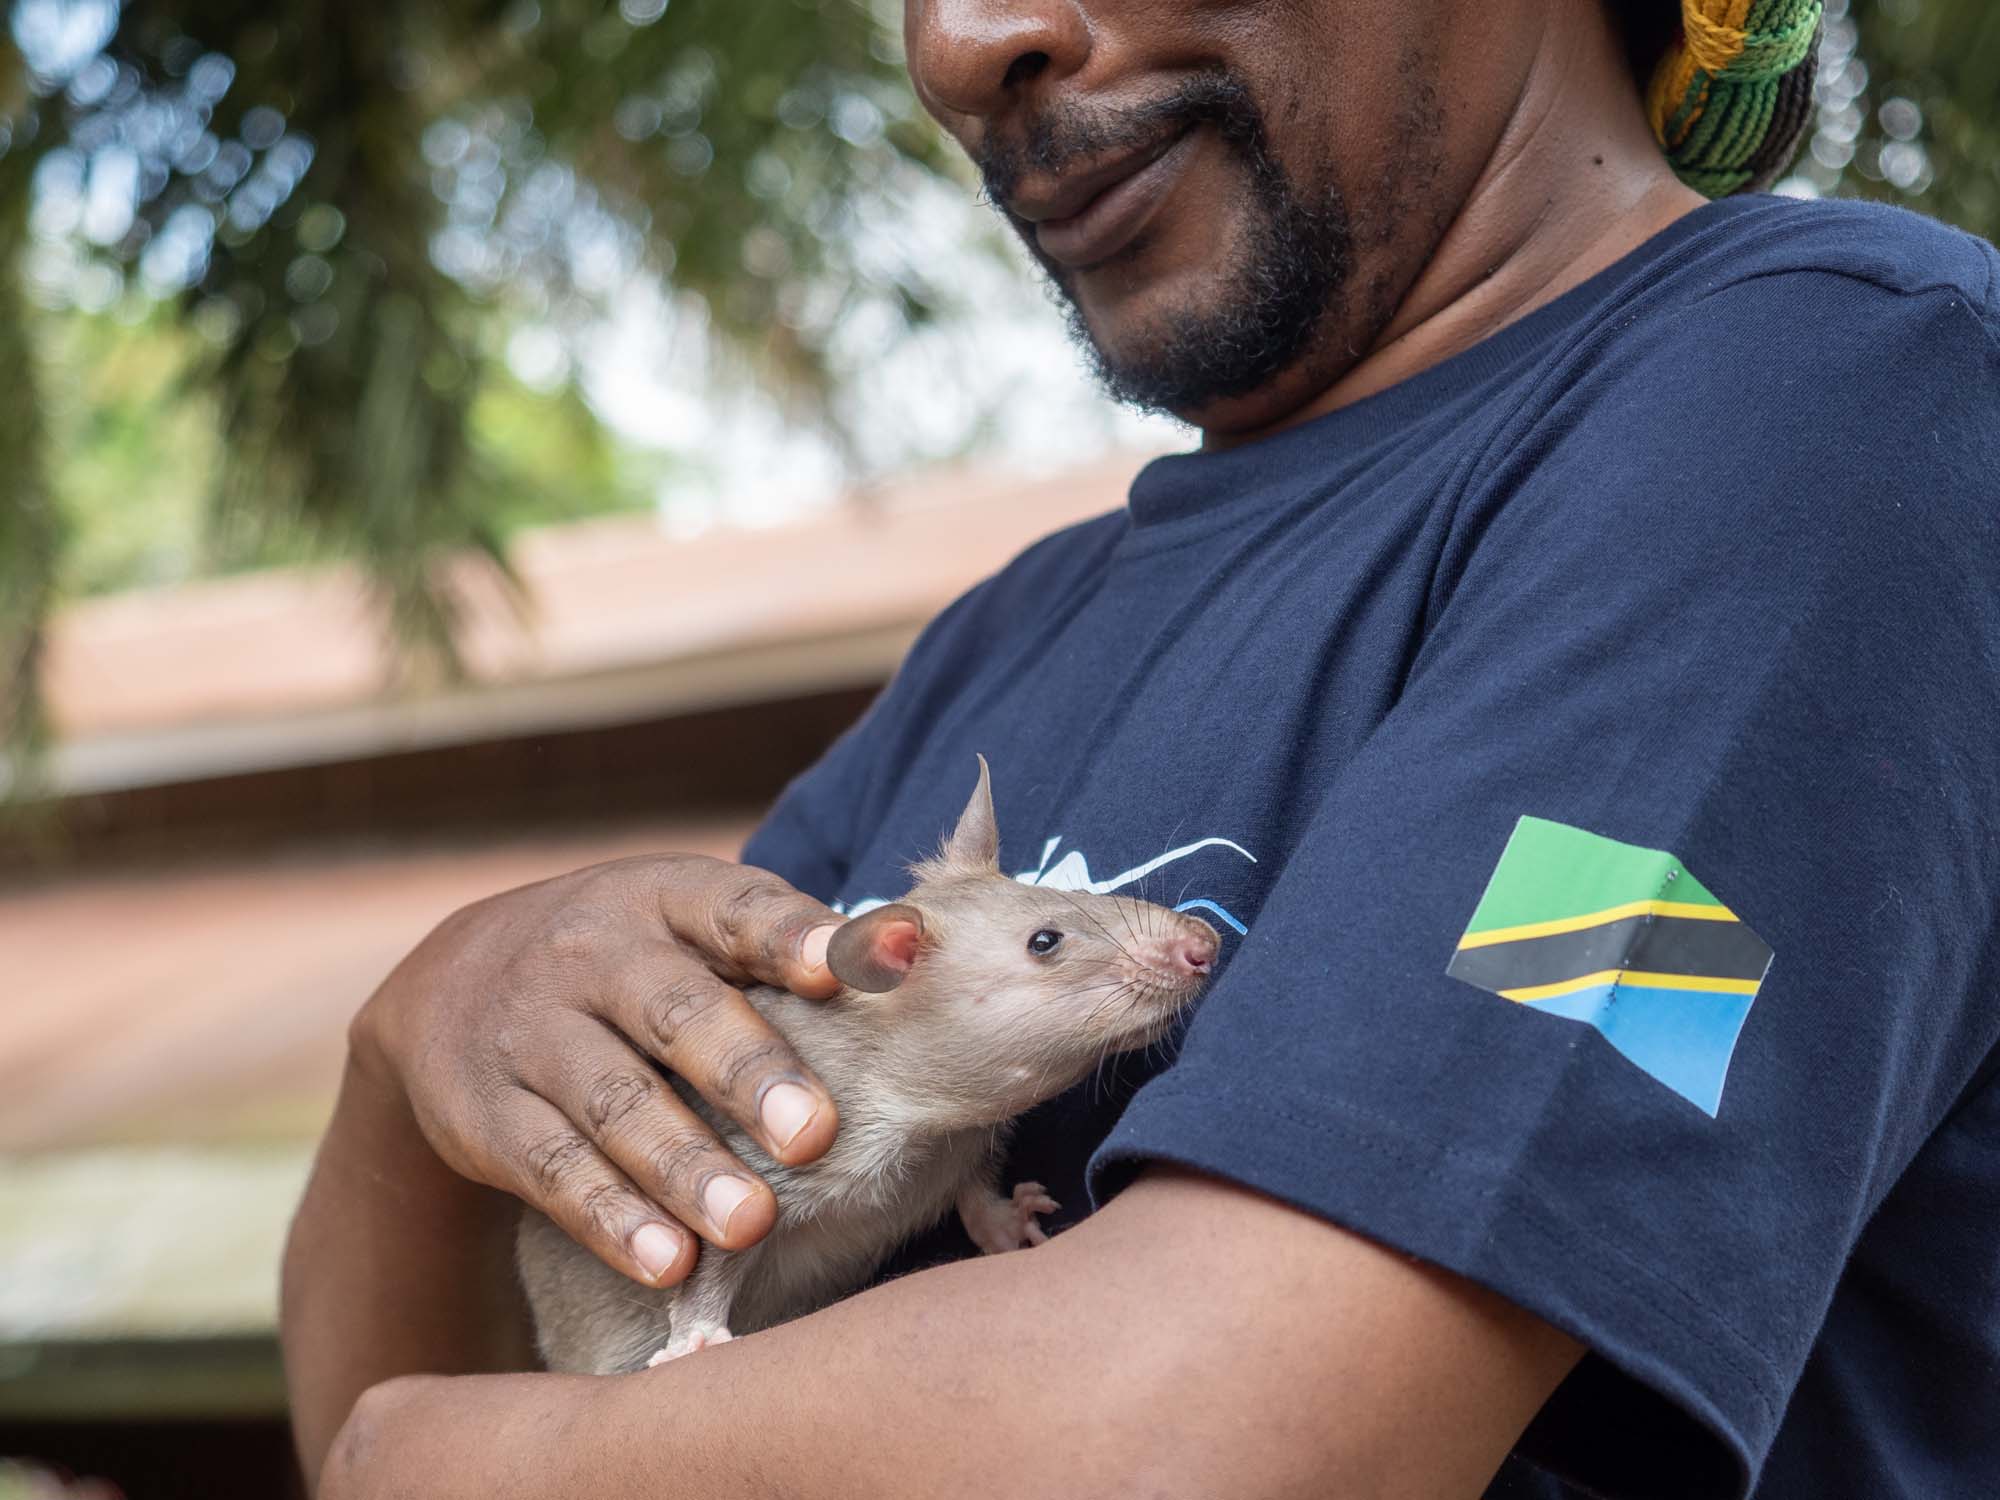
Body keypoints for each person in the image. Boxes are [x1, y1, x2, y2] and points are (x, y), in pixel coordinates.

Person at [281, 0, 2000, 1495]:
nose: (961, 45)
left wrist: (411, 1461)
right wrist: (413, 1042)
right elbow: (557, 1299)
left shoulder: (1832, 419)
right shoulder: (1000, 642)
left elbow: (1223, 1449)